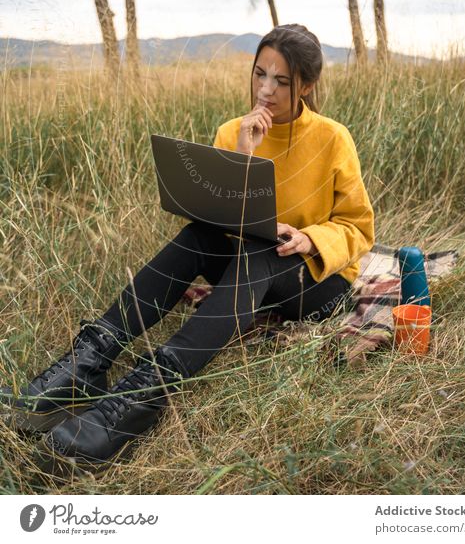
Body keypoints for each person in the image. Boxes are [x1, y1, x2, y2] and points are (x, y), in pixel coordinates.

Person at [0, 23, 375, 472]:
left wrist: (309, 237)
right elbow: (216, 221)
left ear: (307, 86)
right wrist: (243, 156)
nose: (266, 90)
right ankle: (91, 357)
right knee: (201, 236)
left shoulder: (334, 137)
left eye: (282, 81)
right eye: (260, 75)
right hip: (249, 274)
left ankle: (142, 394)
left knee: (263, 249)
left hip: (314, 282)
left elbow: (358, 226)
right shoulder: (234, 131)